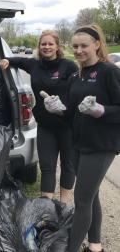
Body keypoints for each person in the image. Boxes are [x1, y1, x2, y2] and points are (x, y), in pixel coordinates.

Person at [43, 24, 120, 252]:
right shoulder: (78, 75)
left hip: (100, 145)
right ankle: (95, 247)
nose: (78, 50)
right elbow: (72, 113)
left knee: (82, 201)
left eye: (84, 46)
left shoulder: (109, 71)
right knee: (91, 196)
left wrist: (102, 111)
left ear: (97, 44)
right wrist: (59, 109)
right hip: (77, 143)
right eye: (75, 46)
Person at [0, 30, 78, 203]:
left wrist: (64, 107)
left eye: (50, 44)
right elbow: (18, 61)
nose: (47, 47)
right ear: (39, 46)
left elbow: (79, 92)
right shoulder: (34, 65)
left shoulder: (69, 67)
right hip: (45, 127)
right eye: (43, 44)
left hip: (67, 126)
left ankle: (63, 205)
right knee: (47, 168)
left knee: (68, 166)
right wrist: (7, 61)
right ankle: (46, 206)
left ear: (57, 46)